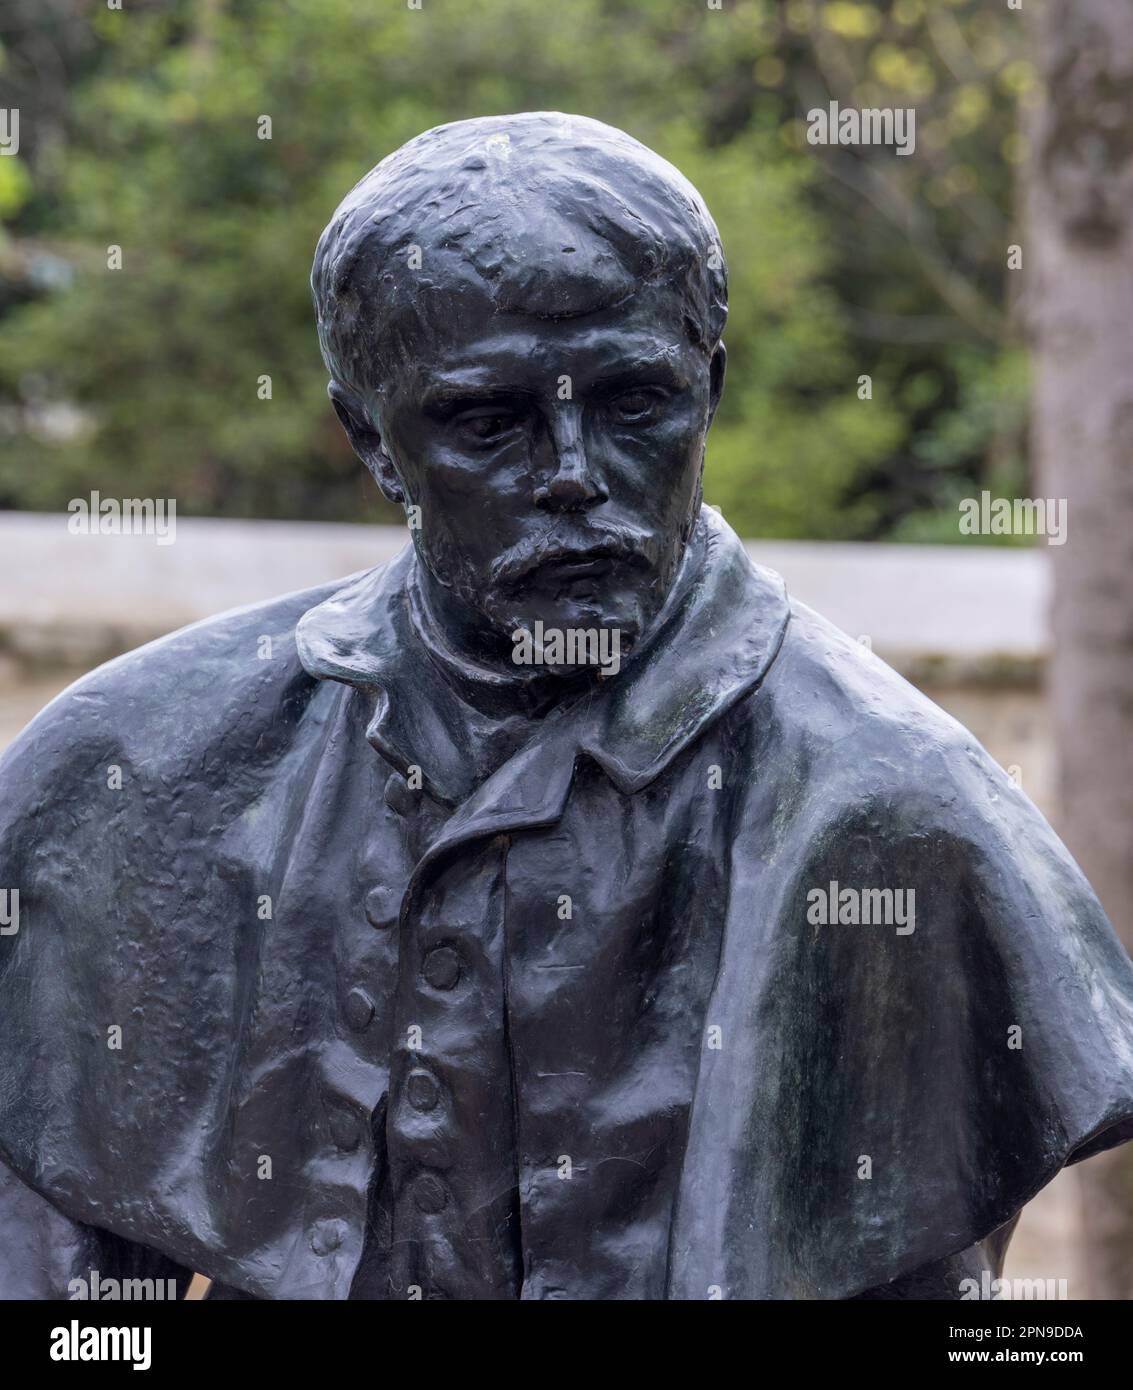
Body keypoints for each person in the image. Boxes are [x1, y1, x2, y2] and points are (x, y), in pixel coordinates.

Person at [2, 112, 1132, 1301]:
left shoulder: (894, 810)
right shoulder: (138, 766)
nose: (574, 475)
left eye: (634, 402)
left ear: (712, 385)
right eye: (489, 421)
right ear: (371, 440)